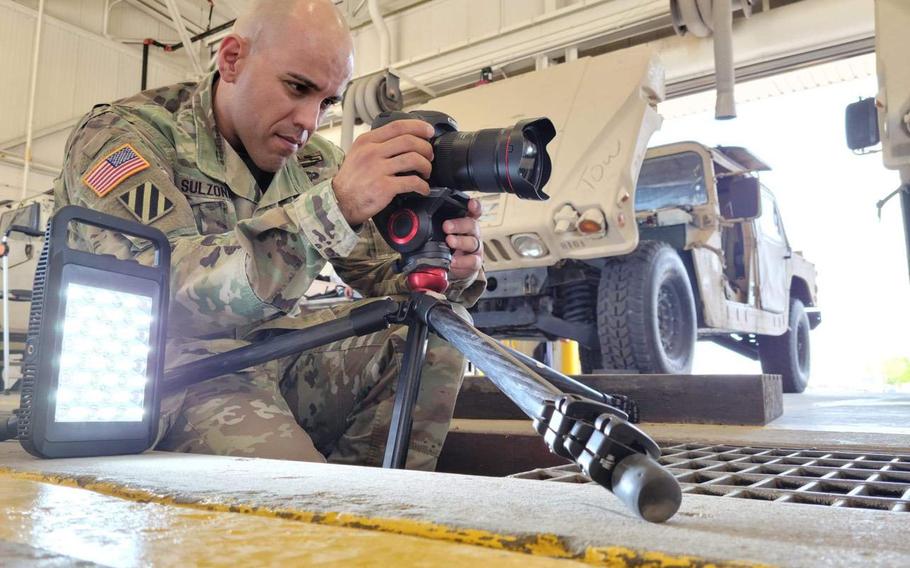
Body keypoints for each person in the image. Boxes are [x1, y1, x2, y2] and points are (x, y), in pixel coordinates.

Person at [53, 0, 485, 470]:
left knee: (429, 332)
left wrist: (444, 264)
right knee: (301, 496)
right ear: (232, 59)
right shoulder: (126, 137)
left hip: (273, 357)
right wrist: (334, 206)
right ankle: (335, 517)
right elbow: (165, 291)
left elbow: (382, 275)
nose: (309, 121)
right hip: (167, 374)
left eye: (326, 102)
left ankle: (371, 511)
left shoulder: (315, 162)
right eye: (297, 88)